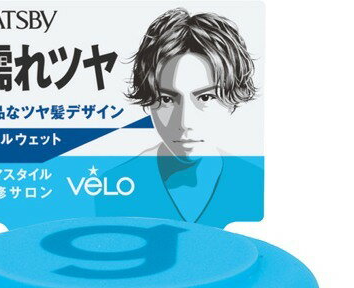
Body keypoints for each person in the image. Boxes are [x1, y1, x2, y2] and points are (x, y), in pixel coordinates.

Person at [95, 8, 263, 228]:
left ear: (231, 97)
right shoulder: (115, 187)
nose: (184, 122)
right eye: (167, 99)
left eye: (205, 97)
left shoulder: (257, 184)